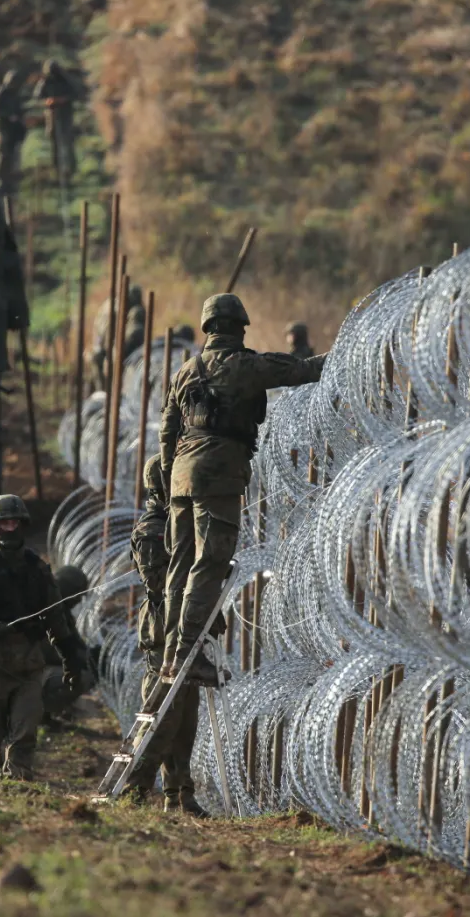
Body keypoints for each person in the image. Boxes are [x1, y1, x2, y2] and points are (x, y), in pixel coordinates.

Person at [159, 293, 326, 684]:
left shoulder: (185, 371)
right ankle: (187, 657)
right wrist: (352, 350)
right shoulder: (247, 366)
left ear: (207, 328)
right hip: (219, 474)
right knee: (210, 562)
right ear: (239, 327)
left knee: (179, 568)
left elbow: (167, 433)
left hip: (182, 477)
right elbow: (302, 370)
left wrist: (171, 483)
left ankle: (171, 655)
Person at [0, 493, 87, 778]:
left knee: (24, 740)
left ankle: (21, 794)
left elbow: (55, 618)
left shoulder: (37, 568)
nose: (10, 529)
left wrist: (71, 658)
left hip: (27, 668)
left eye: (15, 523)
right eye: (3, 524)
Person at [127, 456, 206, 815]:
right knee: (162, 717)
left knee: (185, 721)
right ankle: (135, 788)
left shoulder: (184, 525)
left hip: (188, 628)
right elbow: (157, 580)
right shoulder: (152, 528)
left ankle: (180, 795)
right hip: (164, 631)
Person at [39, 564, 95, 723]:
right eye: (78, 594)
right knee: (79, 677)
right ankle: (37, 713)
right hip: (29, 672)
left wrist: (90, 655)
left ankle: (45, 713)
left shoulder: (62, 611)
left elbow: (74, 643)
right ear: (68, 591)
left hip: (40, 669)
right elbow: (50, 652)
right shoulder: (45, 611)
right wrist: (81, 658)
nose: (79, 600)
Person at [31, 59, 83, 186]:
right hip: (52, 115)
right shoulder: (45, 82)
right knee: (54, 142)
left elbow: (75, 94)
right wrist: (48, 101)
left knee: (68, 141)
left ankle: (71, 169)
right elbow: (37, 96)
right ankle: (57, 169)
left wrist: (63, 99)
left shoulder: (66, 80)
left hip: (66, 114)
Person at [90, 284, 146, 393]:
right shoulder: (125, 311)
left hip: (112, 347)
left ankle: (105, 393)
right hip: (114, 348)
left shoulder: (110, 306)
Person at [0, 71, 28, 201]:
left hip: (13, 129)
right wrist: (8, 116)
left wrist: (20, 119)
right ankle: (1, 183)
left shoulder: (15, 94)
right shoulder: (1, 93)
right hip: (2, 128)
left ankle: (9, 183)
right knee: (2, 155)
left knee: (12, 155)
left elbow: (19, 109)